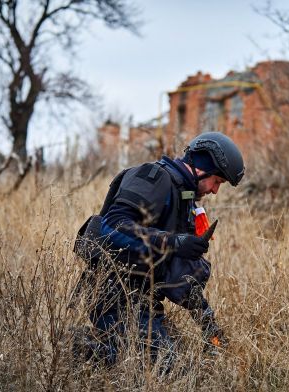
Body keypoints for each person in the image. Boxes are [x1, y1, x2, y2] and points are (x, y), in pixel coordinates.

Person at [73, 131, 245, 370]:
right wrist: (173, 242)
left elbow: (180, 272)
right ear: (203, 167)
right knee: (161, 367)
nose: (215, 190)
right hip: (114, 293)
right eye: (217, 181)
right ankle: (77, 346)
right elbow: (114, 224)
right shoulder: (153, 177)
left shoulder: (184, 197)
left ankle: (110, 345)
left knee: (178, 359)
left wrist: (210, 327)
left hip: (145, 298)